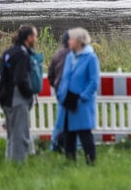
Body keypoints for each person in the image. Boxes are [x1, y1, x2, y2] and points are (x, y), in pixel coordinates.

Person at [57, 28, 99, 165]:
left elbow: (94, 82)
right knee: (69, 134)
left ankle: (91, 162)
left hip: (81, 103)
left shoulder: (91, 58)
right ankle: (70, 162)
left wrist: (82, 97)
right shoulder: (70, 56)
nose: (68, 41)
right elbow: (65, 78)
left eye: (71, 39)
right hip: (68, 101)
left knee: (84, 134)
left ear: (79, 41)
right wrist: (62, 94)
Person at [0, 25, 38, 163]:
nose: (36, 39)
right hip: (17, 99)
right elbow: (21, 78)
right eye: (35, 36)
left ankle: (9, 163)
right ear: (29, 38)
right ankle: (18, 165)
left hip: (6, 98)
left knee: (11, 135)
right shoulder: (22, 54)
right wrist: (29, 93)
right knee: (20, 134)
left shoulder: (8, 52)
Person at [48, 31, 71, 152]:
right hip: (73, 93)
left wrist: (56, 87)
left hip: (60, 93)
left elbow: (50, 76)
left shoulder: (57, 55)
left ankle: (54, 145)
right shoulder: (76, 55)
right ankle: (74, 146)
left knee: (60, 122)